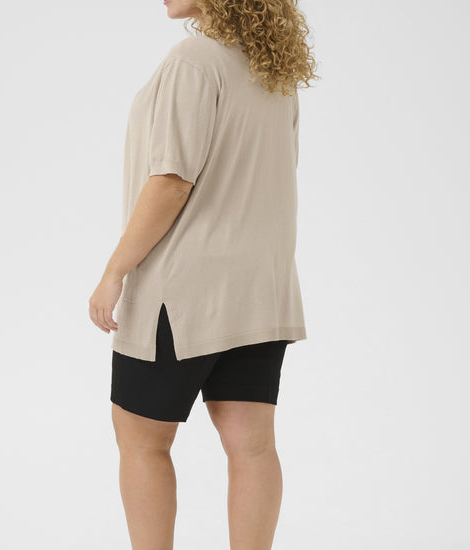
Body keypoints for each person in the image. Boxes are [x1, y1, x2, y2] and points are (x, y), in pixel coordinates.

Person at [88, 0, 318, 548]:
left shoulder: (193, 60)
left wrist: (114, 270)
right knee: (252, 446)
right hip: (260, 290)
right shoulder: (273, 70)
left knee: (141, 439)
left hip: (183, 292)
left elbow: (171, 181)